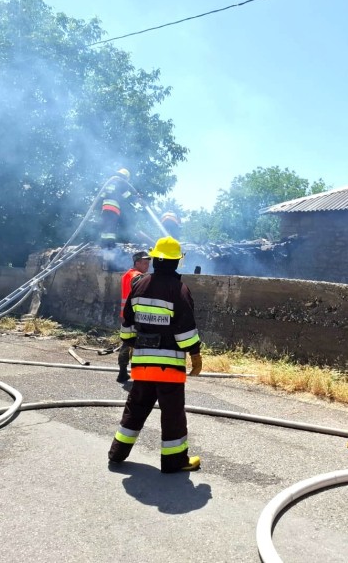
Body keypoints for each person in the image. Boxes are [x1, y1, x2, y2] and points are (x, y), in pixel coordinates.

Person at [108, 236, 203, 473]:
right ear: (176, 262)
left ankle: (117, 453)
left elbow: (127, 321)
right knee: (172, 414)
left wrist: (130, 344)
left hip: (141, 364)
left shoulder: (139, 285)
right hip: (169, 367)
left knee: (135, 408)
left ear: (154, 259)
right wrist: (195, 354)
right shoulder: (179, 290)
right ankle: (174, 461)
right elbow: (186, 329)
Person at [116, 250, 151, 382]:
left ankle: (122, 372)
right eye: (144, 263)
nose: (147, 265)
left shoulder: (127, 275)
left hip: (125, 316)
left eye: (148, 263)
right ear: (137, 263)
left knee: (126, 343)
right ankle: (139, 375)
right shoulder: (138, 277)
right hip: (136, 316)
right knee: (139, 344)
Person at [98, 168, 135, 249]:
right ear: (126, 177)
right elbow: (127, 196)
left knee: (105, 226)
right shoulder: (123, 183)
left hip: (105, 208)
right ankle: (110, 245)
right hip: (113, 209)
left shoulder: (109, 183)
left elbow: (101, 197)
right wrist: (136, 199)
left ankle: (103, 244)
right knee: (111, 227)